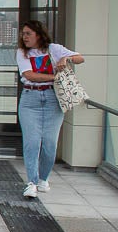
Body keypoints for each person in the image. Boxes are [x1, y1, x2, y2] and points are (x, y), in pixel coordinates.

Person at [16, 19, 84, 199]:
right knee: (31, 142)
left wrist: (66, 58)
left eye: (28, 33)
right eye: (23, 34)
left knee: (49, 143)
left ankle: (43, 179)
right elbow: (29, 75)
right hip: (30, 99)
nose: (25, 37)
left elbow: (80, 58)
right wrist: (56, 77)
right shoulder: (22, 53)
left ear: (39, 34)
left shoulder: (54, 49)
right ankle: (31, 182)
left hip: (53, 100)